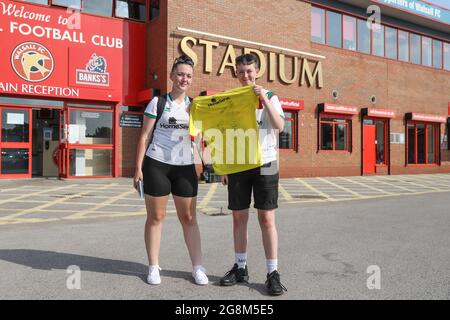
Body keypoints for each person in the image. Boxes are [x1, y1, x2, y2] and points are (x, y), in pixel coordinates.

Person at [133, 55, 208, 286]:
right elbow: (144, 136)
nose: (183, 79)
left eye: (188, 75)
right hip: (157, 164)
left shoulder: (195, 106)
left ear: (191, 79)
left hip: (185, 167)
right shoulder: (158, 103)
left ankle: (197, 267)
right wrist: (138, 168)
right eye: (180, 74)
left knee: (189, 217)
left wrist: (207, 164)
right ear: (172, 76)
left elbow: (200, 140)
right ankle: (153, 266)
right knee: (156, 217)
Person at [219, 53, 287, 296]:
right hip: (238, 164)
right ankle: (240, 268)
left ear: (257, 71)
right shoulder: (233, 99)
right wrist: (223, 167)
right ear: (236, 74)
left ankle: (273, 273)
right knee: (238, 218)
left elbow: (279, 126)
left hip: (266, 163)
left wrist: (263, 98)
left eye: (249, 71)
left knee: (266, 219)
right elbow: (225, 133)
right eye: (240, 72)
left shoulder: (270, 96)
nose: (245, 76)